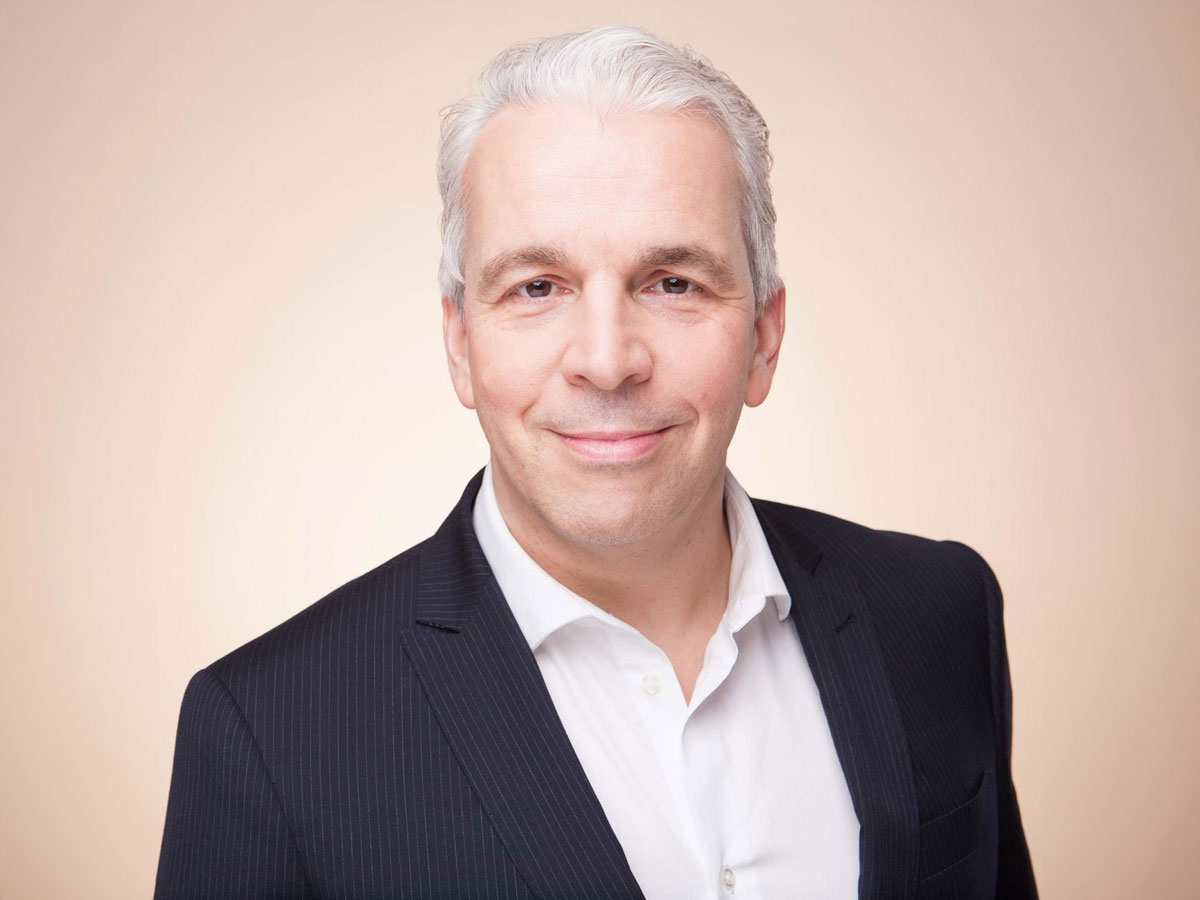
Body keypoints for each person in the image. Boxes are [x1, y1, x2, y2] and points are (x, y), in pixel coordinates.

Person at [154, 25, 1037, 900]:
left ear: (764, 337)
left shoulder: (939, 612)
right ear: (460, 345)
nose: (608, 361)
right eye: (537, 287)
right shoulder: (268, 733)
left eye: (674, 283)